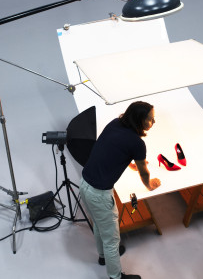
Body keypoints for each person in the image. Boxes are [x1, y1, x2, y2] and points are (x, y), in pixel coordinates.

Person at [79, 101, 161, 279]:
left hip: (84, 183)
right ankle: (115, 276)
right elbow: (144, 173)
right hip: (99, 194)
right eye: (151, 119)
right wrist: (150, 184)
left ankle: (103, 258)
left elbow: (109, 150)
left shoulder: (115, 124)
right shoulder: (137, 143)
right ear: (140, 120)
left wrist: (129, 163)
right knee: (112, 240)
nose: (153, 122)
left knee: (99, 226)